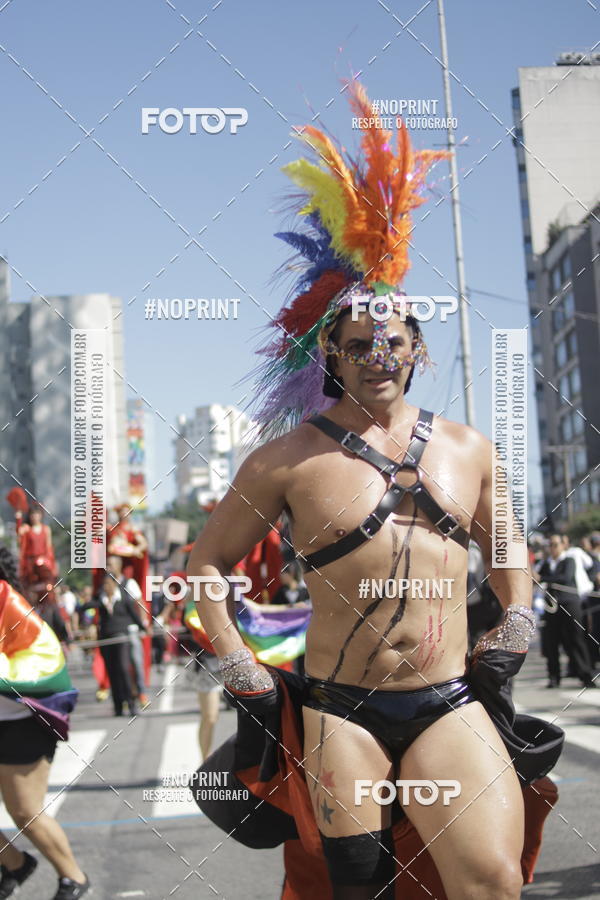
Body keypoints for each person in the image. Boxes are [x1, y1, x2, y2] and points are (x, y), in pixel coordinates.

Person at [188, 82, 556, 900]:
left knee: (491, 882)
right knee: (359, 889)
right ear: (332, 357)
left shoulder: (468, 449)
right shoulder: (284, 461)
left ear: (417, 347)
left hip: (448, 701)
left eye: (392, 341)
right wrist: (235, 661)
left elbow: (507, 548)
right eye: (358, 346)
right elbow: (205, 562)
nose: (376, 358)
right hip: (339, 710)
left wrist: (519, 614)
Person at [0, 546, 90, 899]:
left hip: (25, 719)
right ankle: (15, 864)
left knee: (26, 811)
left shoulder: (5, 600)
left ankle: (74, 878)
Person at [80, 573, 146, 717]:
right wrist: (90, 599)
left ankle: (131, 703)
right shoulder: (101, 599)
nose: (106, 587)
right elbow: (85, 607)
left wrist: (143, 627)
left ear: (115, 584)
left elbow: (133, 615)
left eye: (109, 584)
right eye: (104, 585)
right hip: (106, 639)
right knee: (112, 672)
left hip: (122, 637)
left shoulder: (123, 598)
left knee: (123, 669)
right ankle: (118, 706)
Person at [538, 534, 595, 689]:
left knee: (576, 639)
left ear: (563, 546)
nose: (553, 548)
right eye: (550, 545)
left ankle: (585, 675)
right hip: (552, 607)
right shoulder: (546, 564)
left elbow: (565, 577)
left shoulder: (569, 560)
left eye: (556, 544)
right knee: (552, 642)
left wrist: (544, 578)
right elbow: (536, 577)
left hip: (569, 605)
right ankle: (554, 677)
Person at [106, 556, 148, 706]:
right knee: (120, 666)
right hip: (116, 630)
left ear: (119, 566)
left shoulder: (129, 583)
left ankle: (141, 692)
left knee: (136, 661)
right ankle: (124, 695)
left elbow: (140, 603)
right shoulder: (106, 584)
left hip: (131, 628)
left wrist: (143, 623)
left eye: (110, 565)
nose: (108, 568)